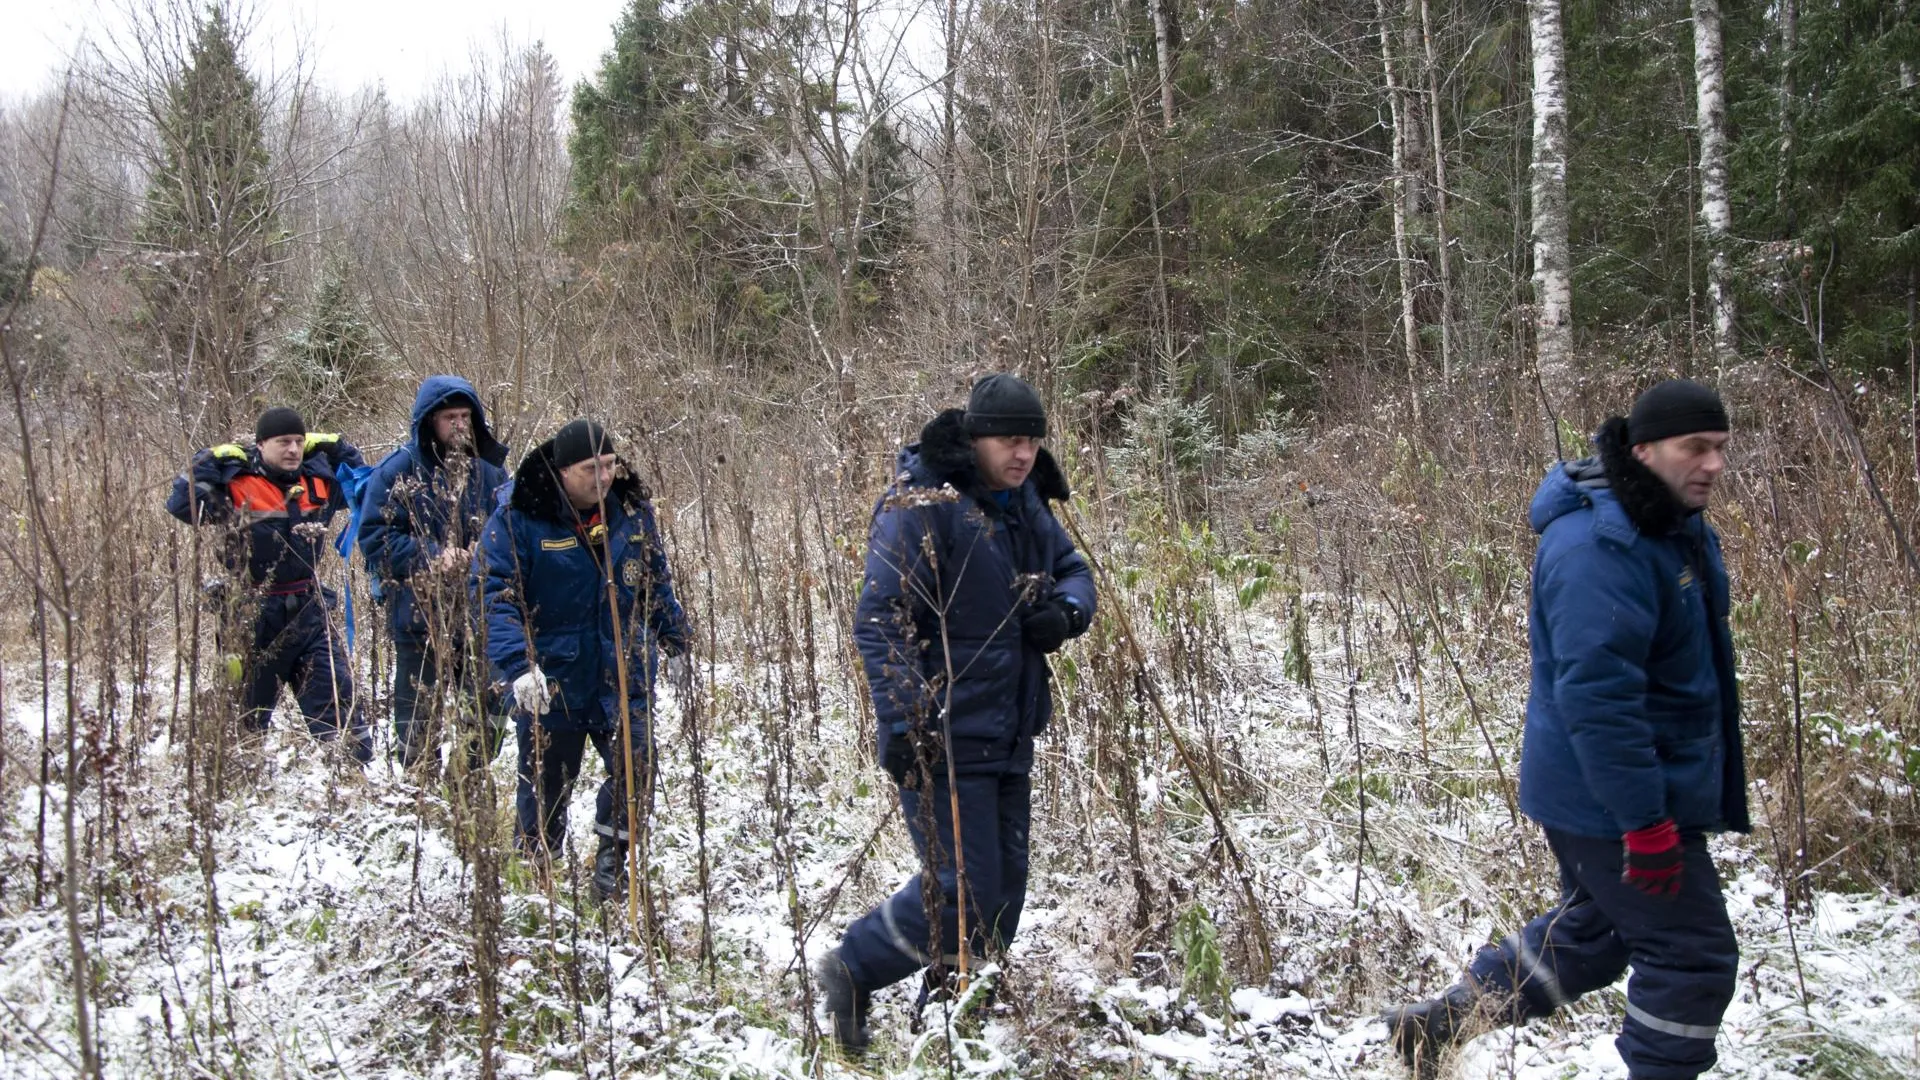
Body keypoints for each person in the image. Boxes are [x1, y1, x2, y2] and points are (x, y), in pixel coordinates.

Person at [1381, 379, 1747, 1080]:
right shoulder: (1599, 548)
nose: (1712, 465)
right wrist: (1645, 822)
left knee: (1597, 935)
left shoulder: (1672, 525)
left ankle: (1435, 1029)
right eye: (1694, 448)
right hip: (1613, 798)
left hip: (1627, 785)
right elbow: (1599, 701)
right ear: (1643, 451)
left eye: (1721, 449)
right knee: (1692, 957)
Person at [817, 373, 1096, 1056]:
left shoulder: (1024, 503)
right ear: (974, 439)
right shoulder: (923, 505)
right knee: (959, 892)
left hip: (1009, 730)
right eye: (1010, 440)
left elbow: (1074, 569)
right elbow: (878, 618)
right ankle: (853, 967)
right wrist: (904, 721)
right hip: (942, 733)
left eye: (1032, 440)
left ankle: (948, 1025)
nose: (1024, 453)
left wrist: (1064, 613)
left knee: (1004, 898)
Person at [476, 418, 691, 900]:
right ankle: (537, 879)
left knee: (636, 768)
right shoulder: (518, 518)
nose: (604, 477)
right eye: (591, 469)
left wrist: (675, 639)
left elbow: (654, 579)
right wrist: (517, 667)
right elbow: (494, 595)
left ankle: (613, 870)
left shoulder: (632, 512)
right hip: (553, 680)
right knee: (548, 784)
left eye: (611, 465)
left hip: (623, 673)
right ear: (563, 470)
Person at [166, 406, 374, 764]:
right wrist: (210, 458)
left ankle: (353, 786)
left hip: (309, 609)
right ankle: (240, 789)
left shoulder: (316, 480)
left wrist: (339, 446)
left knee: (337, 705)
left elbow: (363, 484)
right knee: (246, 722)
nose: (293, 450)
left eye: (298, 441)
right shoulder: (236, 483)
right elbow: (181, 504)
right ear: (261, 445)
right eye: (283, 442)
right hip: (250, 615)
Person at [360, 376, 511, 773]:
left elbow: (517, 529)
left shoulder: (492, 474)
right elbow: (375, 538)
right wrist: (432, 557)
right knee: (417, 723)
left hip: (481, 615)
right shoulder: (398, 471)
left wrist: (488, 549)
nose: (460, 425)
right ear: (429, 421)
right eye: (450, 417)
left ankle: (468, 779)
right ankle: (417, 800)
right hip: (418, 617)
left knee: (487, 713)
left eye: (466, 416)